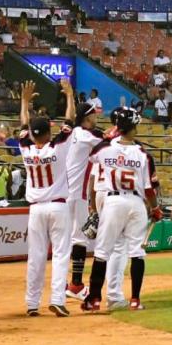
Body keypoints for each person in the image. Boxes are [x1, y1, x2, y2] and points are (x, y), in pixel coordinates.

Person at [81, 107, 161, 313]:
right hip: (136, 203)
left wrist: (109, 136)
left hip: (113, 201)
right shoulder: (142, 153)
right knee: (136, 252)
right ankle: (135, 299)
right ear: (132, 128)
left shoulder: (105, 148)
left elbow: (91, 156)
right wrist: (156, 208)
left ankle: (95, 299)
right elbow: (148, 189)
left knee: (102, 251)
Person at [17, 79, 76, 317]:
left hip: (36, 209)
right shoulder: (58, 147)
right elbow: (70, 120)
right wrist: (70, 96)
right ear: (49, 131)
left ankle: (32, 303)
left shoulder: (27, 150)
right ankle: (57, 299)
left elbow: (23, 125)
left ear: (33, 134)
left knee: (36, 256)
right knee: (61, 254)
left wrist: (23, 102)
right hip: (58, 206)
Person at [64, 100, 105, 301]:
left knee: (64, 240)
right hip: (76, 194)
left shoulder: (70, 134)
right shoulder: (87, 136)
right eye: (94, 115)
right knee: (78, 238)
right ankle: (76, 285)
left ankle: (61, 284)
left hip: (62, 193)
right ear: (88, 117)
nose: (96, 118)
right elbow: (110, 142)